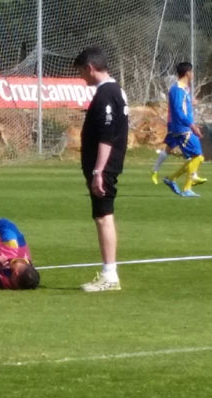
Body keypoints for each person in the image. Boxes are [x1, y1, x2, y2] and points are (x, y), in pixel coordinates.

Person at [73, 46, 128, 292]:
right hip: (105, 166)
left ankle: (110, 275)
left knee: (104, 217)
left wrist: (98, 171)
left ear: (90, 68)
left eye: (82, 73)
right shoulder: (115, 91)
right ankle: (109, 273)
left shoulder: (107, 93)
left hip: (104, 168)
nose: (82, 78)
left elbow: (107, 136)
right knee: (102, 217)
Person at [151, 62, 206, 187]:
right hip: (177, 124)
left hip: (182, 124)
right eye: (192, 72)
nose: (193, 75)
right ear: (187, 73)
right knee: (194, 153)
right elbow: (178, 109)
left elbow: (182, 106)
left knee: (183, 151)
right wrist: (191, 124)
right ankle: (164, 175)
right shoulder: (177, 88)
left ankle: (188, 178)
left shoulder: (185, 88)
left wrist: (190, 103)